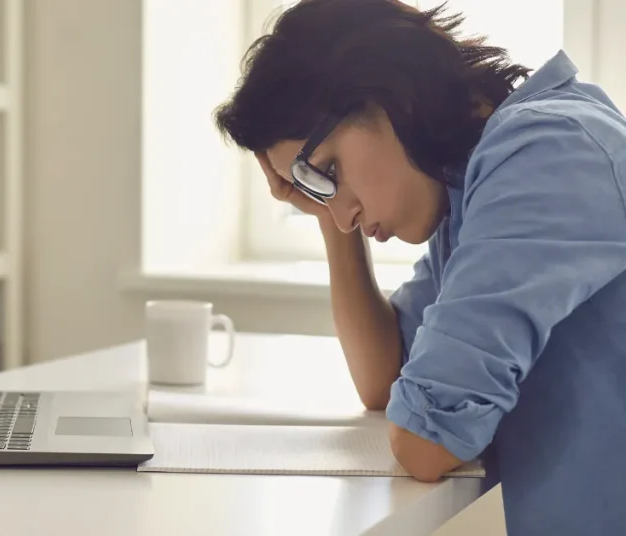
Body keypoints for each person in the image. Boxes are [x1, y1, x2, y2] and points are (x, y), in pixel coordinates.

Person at [213, 0, 626, 533]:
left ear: (388, 95)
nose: (344, 214)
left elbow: (428, 442)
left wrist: (426, 415)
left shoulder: (548, 153)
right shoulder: (470, 187)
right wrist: (327, 214)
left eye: (329, 170)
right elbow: (384, 381)